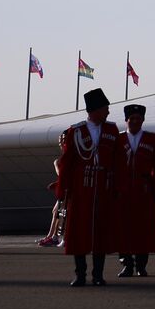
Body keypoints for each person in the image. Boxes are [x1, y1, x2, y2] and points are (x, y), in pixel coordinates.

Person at [59, 88, 125, 286]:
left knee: (101, 232)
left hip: (104, 188)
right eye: (105, 108)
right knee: (78, 232)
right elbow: (66, 163)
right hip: (82, 190)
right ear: (95, 110)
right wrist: (63, 190)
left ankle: (98, 275)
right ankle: (80, 274)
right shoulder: (76, 131)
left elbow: (119, 161)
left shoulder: (112, 130)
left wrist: (118, 187)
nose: (108, 112)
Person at [116, 104, 155, 277]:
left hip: (144, 189)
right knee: (123, 227)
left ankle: (141, 265)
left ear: (143, 120)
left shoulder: (152, 139)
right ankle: (126, 263)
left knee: (144, 227)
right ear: (126, 120)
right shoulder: (118, 139)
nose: (135, 121)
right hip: (123, 189)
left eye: (138, 118)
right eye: (132, 119)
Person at [38, 131, 69, 247]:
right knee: (57, 211)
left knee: (61, 212)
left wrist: (56, 165)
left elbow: (63, 175)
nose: (61, 143)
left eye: (63, 140)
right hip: (64, 188)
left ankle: (57, 237)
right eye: (60, 141)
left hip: (68, 189)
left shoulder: (68, 156)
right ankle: (52, 236)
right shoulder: (64, 156)